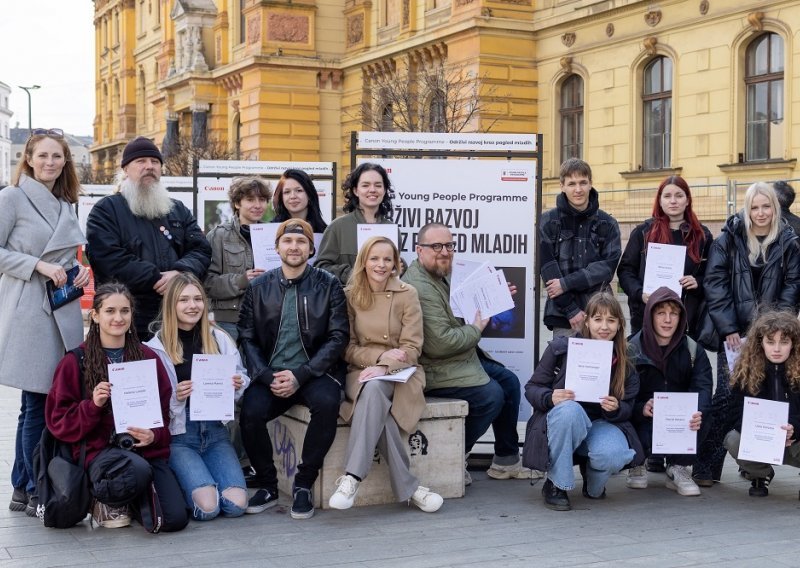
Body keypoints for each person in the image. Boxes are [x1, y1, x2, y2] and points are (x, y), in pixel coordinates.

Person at [45, 283, 188, 531]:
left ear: (132, 315)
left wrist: (154, 436)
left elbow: (166, 417)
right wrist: (92, 406)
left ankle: (128, 500)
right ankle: (99, 498)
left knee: (173, 519)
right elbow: (58, 422)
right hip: (99, 454)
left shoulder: (148, 357)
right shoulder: (75, 361)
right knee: (134, 471)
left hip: (145, 452)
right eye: (110, 311)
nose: (118, 318)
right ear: (96, 315)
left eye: (125, 311)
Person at [0, 128, 91, 516]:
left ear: (65, 161)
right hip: (27, 309)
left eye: (57, 156)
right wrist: (37, 264)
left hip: (61, 308)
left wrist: (80, 272)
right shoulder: (12, 197)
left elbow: (67, 258)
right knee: (38, 401)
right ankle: (36, 487)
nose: (50, 163)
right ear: (29, 159)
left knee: (38, 401)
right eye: (43, 156)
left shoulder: (66, 203)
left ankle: (22, 486)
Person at [402, 222, 530, 485]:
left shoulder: (443, 273)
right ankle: (455, 453)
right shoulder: (418, 287)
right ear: (419, 250)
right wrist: (476, 328)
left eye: (449, 245)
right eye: (436, 246)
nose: (445, 252)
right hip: (434, 367)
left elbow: (466, 305)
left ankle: (505, 460)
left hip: (459, 359)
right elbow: (440, 344)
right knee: (491, 396)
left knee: (509, 382)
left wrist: (495, 295)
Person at [238, 219, 348, 519]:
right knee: (249, 412)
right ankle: (268, 484)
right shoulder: (259, 287)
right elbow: (246, 336)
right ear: (277, 247)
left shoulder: (328, 284)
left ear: (311, 249)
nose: (294, 247)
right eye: (287, 241)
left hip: (313, 373)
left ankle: (303, 484)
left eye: (301, 242)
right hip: (271, 373)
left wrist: (301, 374)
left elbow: (339, 337)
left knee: (327, 404)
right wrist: (264, 375)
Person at [694, 182, 800, 486]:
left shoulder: (789, 242)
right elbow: (715, 283)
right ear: (746, 209)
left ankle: (757, 462)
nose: (761, 213)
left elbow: (793, 286)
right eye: (755, 207)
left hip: (772, 336)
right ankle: (707, 466)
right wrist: (728, 327)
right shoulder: (729, 238)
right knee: (727, 397)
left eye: (766, 206)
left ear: (775, 209)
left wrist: (776, 327)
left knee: (769, 393)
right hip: (735, 336)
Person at [328, 237, 443, 513]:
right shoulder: (350, 294)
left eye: (387, 259)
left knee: (376, 390)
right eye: (374, 258)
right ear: (364, 261)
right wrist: (378, 359)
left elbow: (412, 347)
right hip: (361, 373)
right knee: (374, 394)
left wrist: (386, 367)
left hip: (402, 373)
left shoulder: (407, 293)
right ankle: (412, 488)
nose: (381, 265)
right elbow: (348, 348)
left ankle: (352, 477)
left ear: (395, 263)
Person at [523, 291, 644, 511]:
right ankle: (556, 484)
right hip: (565, 420)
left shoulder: (626, 358)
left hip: (601, 424)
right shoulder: (561, 348)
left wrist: (616, 409)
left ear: (619, 325)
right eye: (598, 319)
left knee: (613, 454)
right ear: (586, 321)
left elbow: (629, 407)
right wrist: (550, 397)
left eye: (611, 320)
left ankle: (592, 478)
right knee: (570, 411)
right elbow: (531, 388)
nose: (604, 326)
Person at [146, 273, 251, 521]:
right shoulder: (154, 347)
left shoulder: (219, 338)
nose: (192, 306)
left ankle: (206, 481)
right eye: (184, 300)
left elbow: (242, 377)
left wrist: (238, 384)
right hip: (179, 437)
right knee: (207, 508)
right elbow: (153, 405)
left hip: (215, 433)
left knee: (237, 505)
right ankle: (186, 486)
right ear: (171, 304)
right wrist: (176, 396)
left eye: (197, 299)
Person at [85, 136, 211, 339]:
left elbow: (201, 250)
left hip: (178, 318)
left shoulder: (177, 209)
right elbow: (109, 259)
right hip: (128, 319)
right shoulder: (106, 210)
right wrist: (158, 278)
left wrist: (180, 271)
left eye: (154, 162)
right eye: (141, 161)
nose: (149, 166)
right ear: (126, 169)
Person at [627, 287, 712, 496]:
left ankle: (678, 467)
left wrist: (698, 412)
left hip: (679, 423)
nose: (667, 320)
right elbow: (621, 393)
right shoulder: (631, 348)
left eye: (674, 313)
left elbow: (703, 387)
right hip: (645, 421)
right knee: (624, 416)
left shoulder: (693, 349)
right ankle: (637, 461)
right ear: (649, 316)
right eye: (660, 313)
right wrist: (641, 408)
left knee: (706, 415)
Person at [617, 175, 713, 338]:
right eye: (667, 196)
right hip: (645, 319)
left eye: (679, 195)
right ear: (660, 201)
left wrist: (698, 282)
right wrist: (640, 293)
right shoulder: (643, 233)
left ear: (687, 200)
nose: (673, 201)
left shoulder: (702, 236)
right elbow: (626, 271)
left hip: (687, 321)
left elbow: (714, 276)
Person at [539, 158, 622, 337]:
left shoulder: (608, 223)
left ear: (590, 184)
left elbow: (606, 269)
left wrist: (566, 283)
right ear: (562, 186)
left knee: (603, 364)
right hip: (563, 315)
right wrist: (571, 310)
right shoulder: (547, 222)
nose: (578, 189)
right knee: (564, 364)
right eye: (571, 184)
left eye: (583, 182)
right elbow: (548, 270)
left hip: (601, 314)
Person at [721, 310, 800, 497]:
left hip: (795, 442)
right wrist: (758, 430)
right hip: (761, 440)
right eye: (770, 342)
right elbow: (733, 415)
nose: (777, 349)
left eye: (784, 342)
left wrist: (794, 429)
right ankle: (760, 473)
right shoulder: (746, 373)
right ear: (760, 343)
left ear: (794, 344)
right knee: (733, 439)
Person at [205, 176, 272, 341]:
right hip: (228, 323)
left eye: (262, 200)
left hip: (264, 320)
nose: (257, 205)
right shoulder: (218, 235)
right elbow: (207, 283)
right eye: (250, 199)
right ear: (237, 203)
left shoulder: (272, 235)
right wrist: (241, 280)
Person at [316, 163, 397, 285]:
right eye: (365, 185)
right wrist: (352, 274)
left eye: (378, 185)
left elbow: (395, 270)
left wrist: (400, 265)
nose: (372, 190)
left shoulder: (392, 229)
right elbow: (321, 268)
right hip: (349, 300)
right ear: (355, 190)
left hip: (386, 300)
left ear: (385, 190)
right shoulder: (337, 227)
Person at [271, 169, 329, 234]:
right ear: (281, 197)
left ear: (309, 194)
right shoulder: (271, 230)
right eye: (287, 192)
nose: (293, 196)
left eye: (299, 191)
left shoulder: (325, 232)